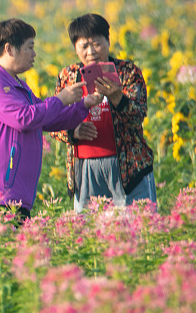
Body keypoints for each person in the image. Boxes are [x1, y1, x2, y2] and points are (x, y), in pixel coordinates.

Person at [0, 18, 102, 220]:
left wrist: (83, 105)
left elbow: (46, 118)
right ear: (9, 49)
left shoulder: (16, 83)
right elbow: (24, 118)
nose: (34, 54)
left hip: (13, 193)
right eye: (30, 47)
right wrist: (61, 99)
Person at [50, 13, 157, 212]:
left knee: (136, 228)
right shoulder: (68, 76)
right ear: (75, 48)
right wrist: (73, 131)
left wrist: (117, 97)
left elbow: (138, 116)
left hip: (127, 168)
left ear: (108, 41)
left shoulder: (127, 72)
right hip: (85, 168)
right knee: (90, 234)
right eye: (83, 46)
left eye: (97, 43)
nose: (91, 51)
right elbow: (53, 121)